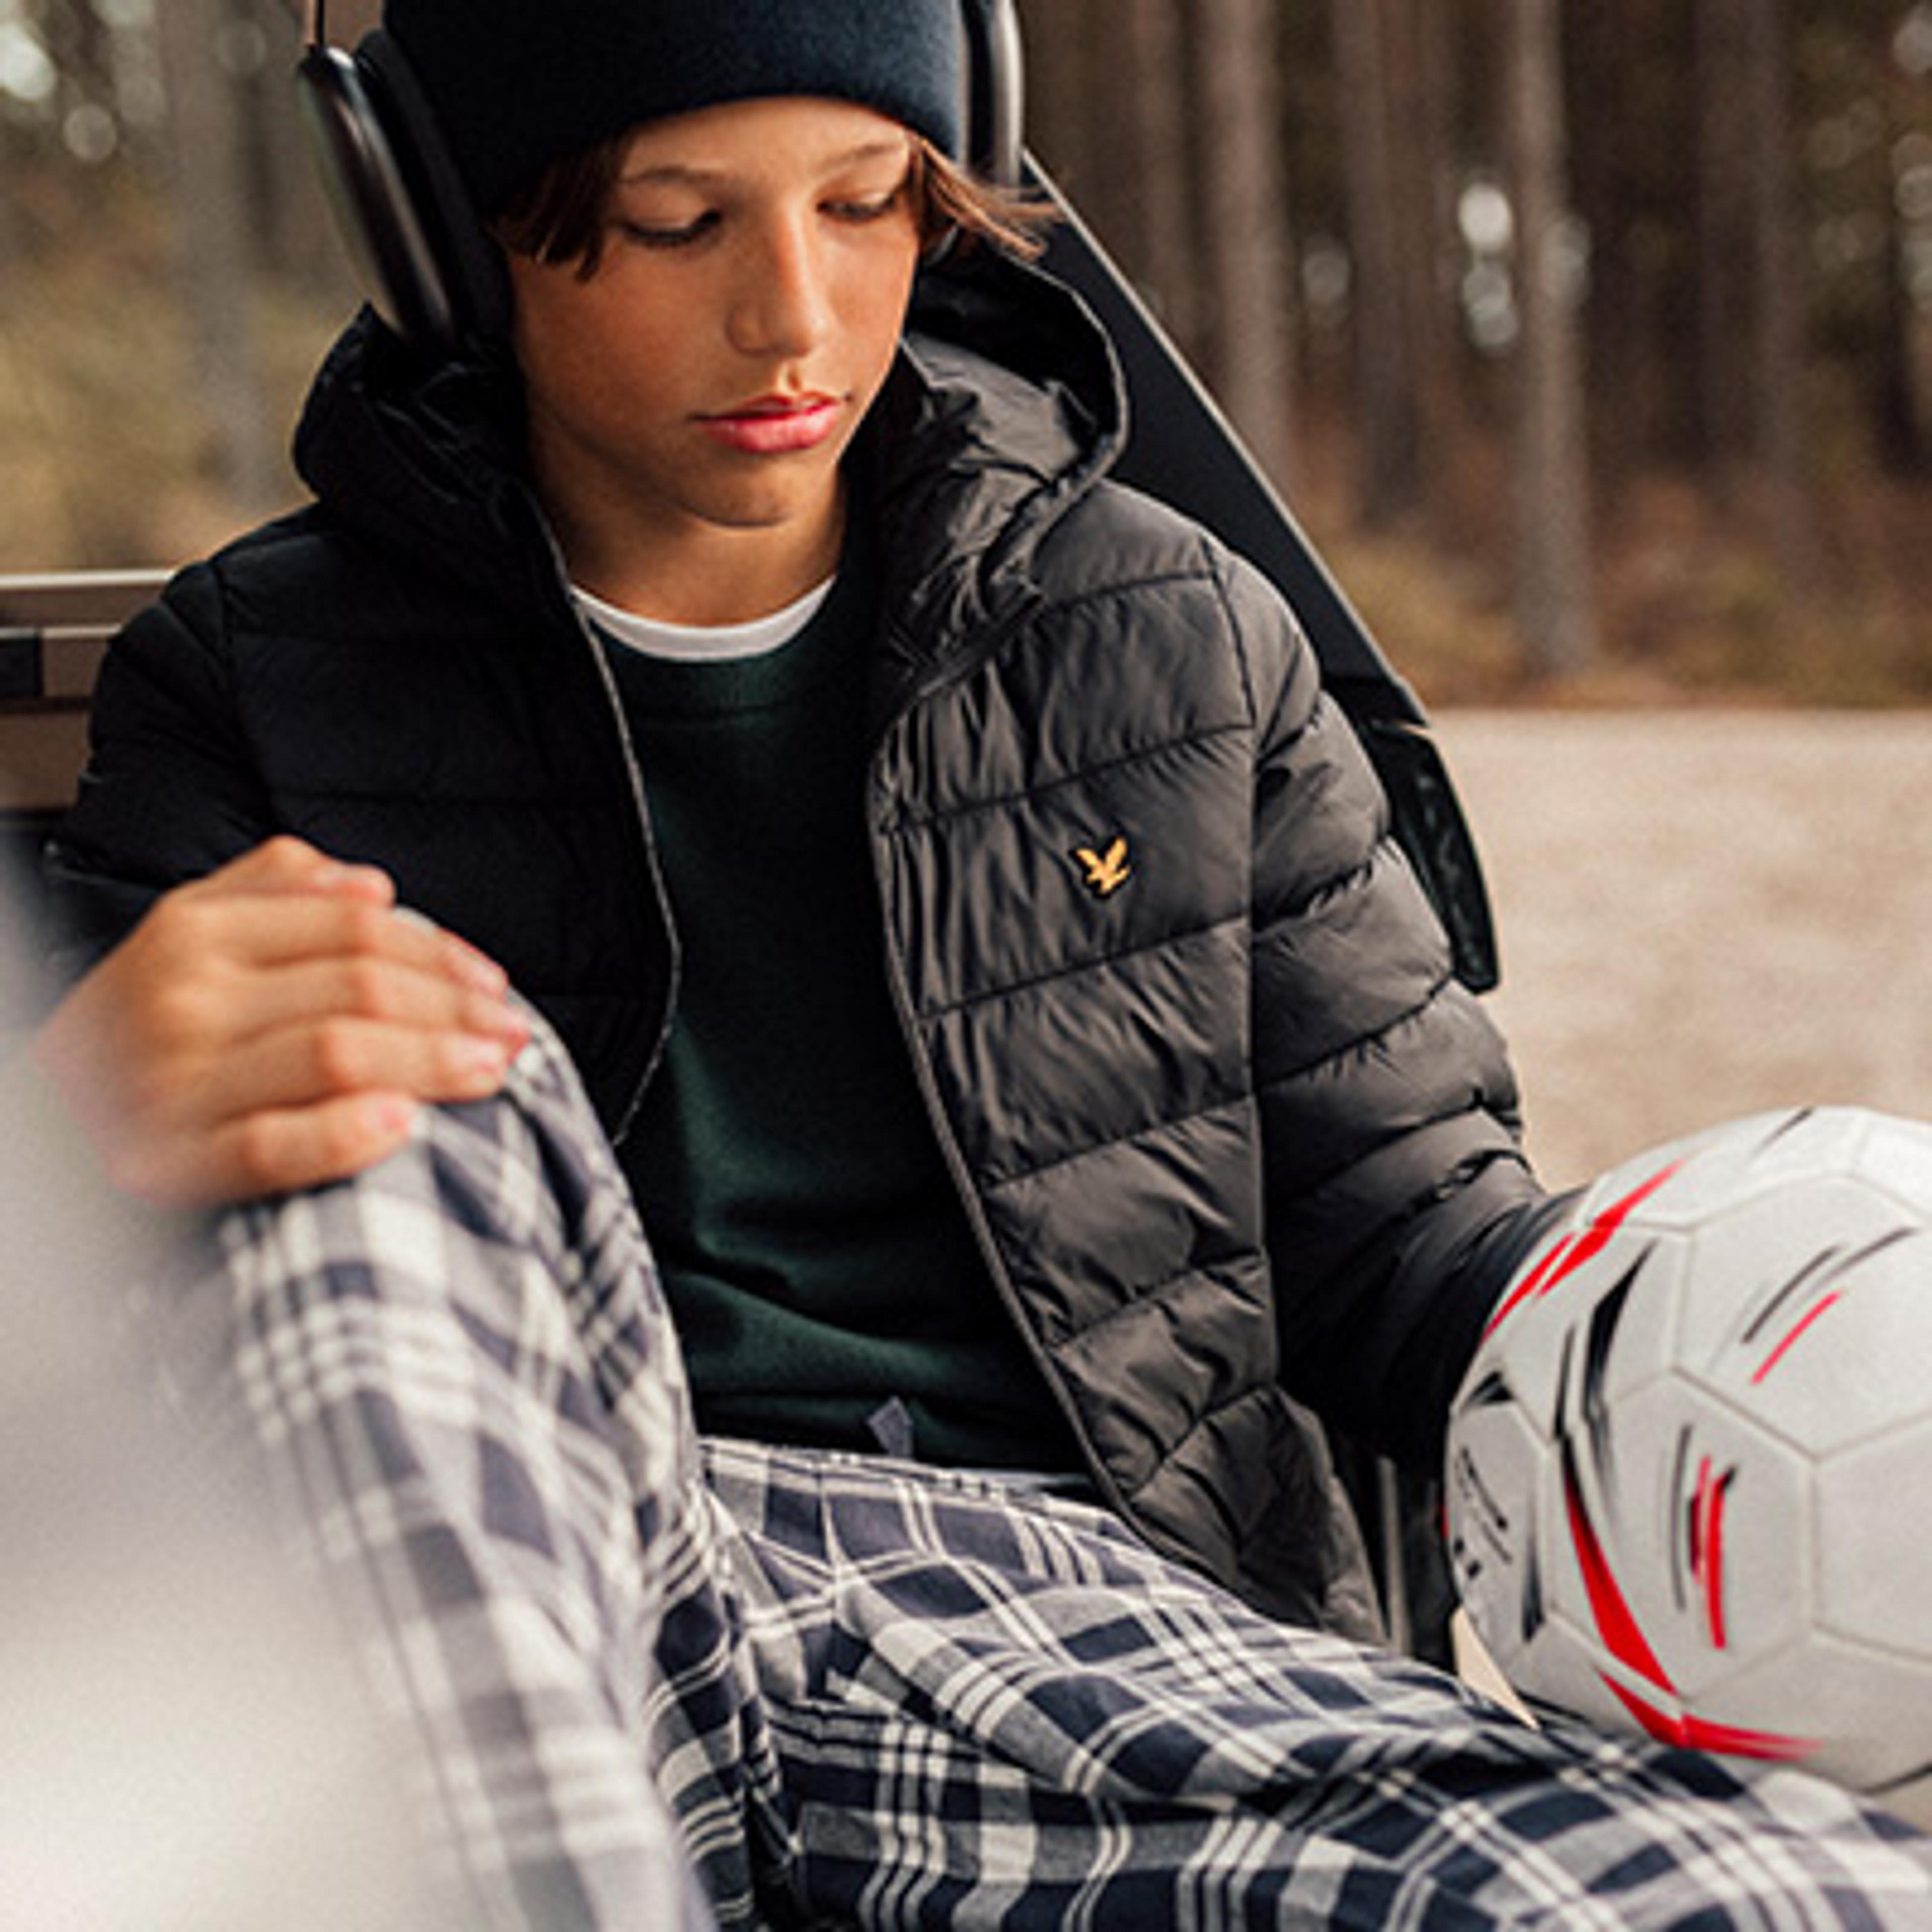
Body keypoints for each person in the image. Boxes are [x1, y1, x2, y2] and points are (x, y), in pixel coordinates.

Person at [28, 0, 1932, 1922]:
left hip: (1084, 1635)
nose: (796, 317)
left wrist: (1739, 1333)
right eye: (683, 224)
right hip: (558, 1579)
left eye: (866, 206)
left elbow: (1407, 1230)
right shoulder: (251, 677)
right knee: (373, 1068)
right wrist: (70, 1108)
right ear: (452, 233)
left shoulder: (1175, 634)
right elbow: (150, 1338)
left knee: (1789, 1897)